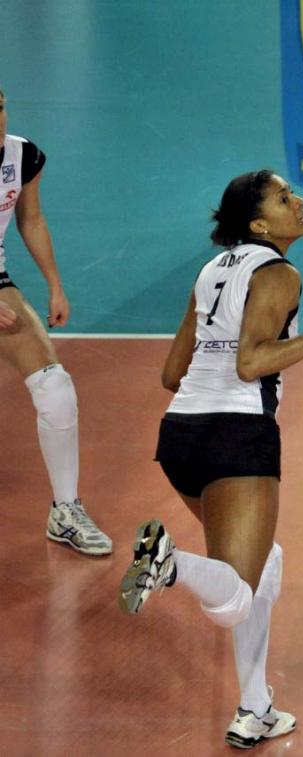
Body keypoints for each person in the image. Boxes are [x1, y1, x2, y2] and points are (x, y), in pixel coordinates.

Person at [117, 170, 303, 749]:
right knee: (234, 601)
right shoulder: (281, 273)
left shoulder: (211, 271)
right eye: (284, 198)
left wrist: (210, 397)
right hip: (239, 438)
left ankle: (255, 708)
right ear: (260, 225)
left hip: (181, 436)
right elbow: (251, 364)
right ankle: (169, 563)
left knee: (264, 563)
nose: (298, 201)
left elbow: (173, 373)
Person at [0, 85, 112, 555]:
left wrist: (55, 285)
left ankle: (65, 511)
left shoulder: (22, 156)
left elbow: (30, 219)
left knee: (56, 389)